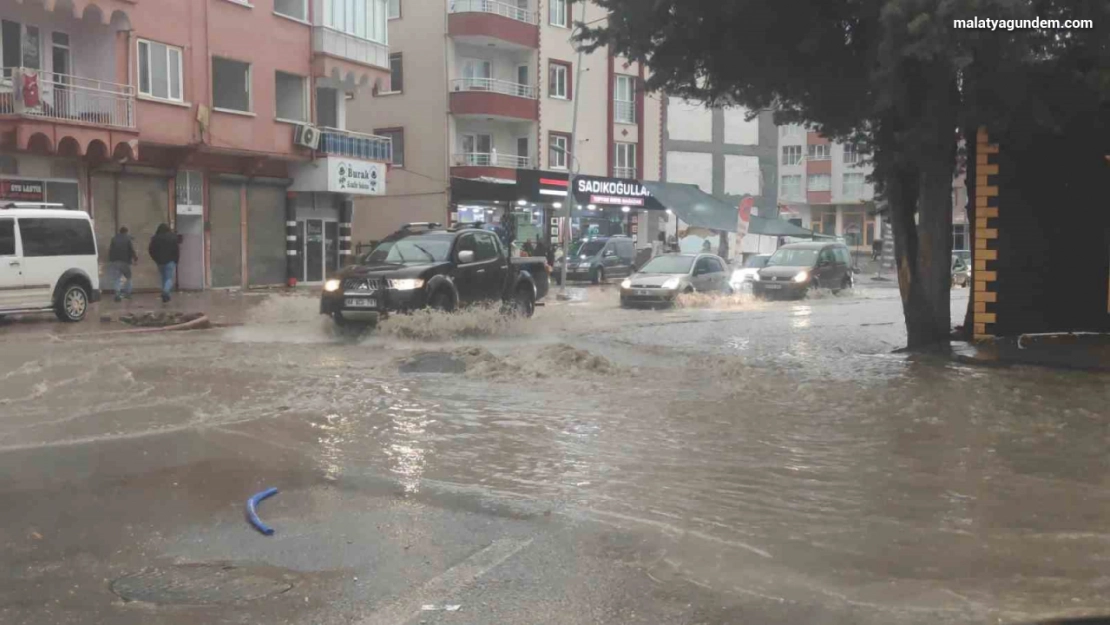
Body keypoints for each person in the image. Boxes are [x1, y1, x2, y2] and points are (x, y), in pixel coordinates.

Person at [149, 223, 179, 303]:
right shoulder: (172, 237)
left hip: (160, 262)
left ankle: (166, 296)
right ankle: (165, 291)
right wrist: (176, 260)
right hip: (170, 261)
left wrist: (155, 259)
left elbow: (151, 250)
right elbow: (176, 249)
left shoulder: (155, 238)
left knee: (164, 278)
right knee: (169, 278)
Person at [107, 226, 138, 302]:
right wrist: (135, 258)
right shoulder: (128, 239)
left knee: (117, 278)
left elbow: (110, 250)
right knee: (129, 277)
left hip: (115, 261)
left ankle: (117, 293)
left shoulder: (114, 238)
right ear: (126, 232)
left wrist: (111, 260)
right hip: (125, 261)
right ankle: (128, 293)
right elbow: (131, 250)